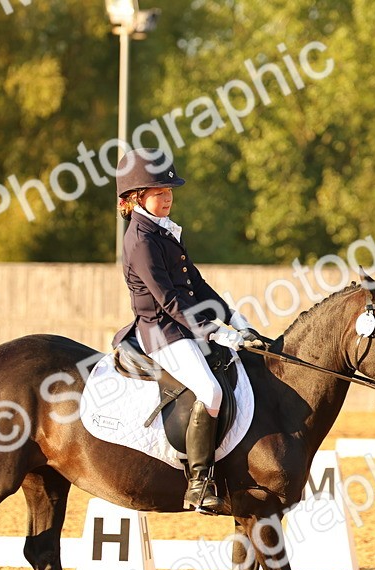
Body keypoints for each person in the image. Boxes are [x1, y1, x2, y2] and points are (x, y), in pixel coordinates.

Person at [111, 149, 264, 513]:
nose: (167, 198)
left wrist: (234, 318)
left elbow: (196, 285)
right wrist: (213, 331)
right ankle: (199, 483)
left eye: (169, 191)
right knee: (210, 392)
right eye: (159, 193)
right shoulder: (141, 240)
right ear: (137, 197)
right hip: (161, 332)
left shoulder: (164, 231)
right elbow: (168, 300)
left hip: (182, 326)